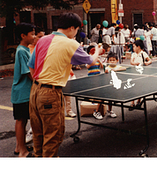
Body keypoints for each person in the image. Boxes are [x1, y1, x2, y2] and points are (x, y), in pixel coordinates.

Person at [28, 12, 102, 157]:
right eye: (77, 29)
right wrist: (97, 51)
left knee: (38, 134)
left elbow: (31, 65)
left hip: (35, 90)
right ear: (72, 28)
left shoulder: (43, 40)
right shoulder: (70, 43)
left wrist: (39, 83)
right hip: (50, 93)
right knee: (52, 136)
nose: (77, 33)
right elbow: (91, 61)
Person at [11, 23, 36, 157]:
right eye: (31, 34)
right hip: (22, 92)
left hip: (25, 93)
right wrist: (41, 83)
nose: (34, 36)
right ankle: (22, 151)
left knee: (23, 120)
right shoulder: (21, 51)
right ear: (23, 35)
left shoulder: (26, 50)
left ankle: (18, 147)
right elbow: (29, 73)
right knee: (21, 120)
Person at [130, 40, 152, 110]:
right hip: (134, 73)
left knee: (140, 88)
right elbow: (131, 62)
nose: (133, 48)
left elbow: (150, 60)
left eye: (134, 46)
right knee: (133, 88)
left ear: (138, 47)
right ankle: (132, 103)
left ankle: (138, 101)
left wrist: (147, 63)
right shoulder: (133, 54)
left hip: (141, 73)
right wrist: (134, 63)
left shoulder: (143, 53)